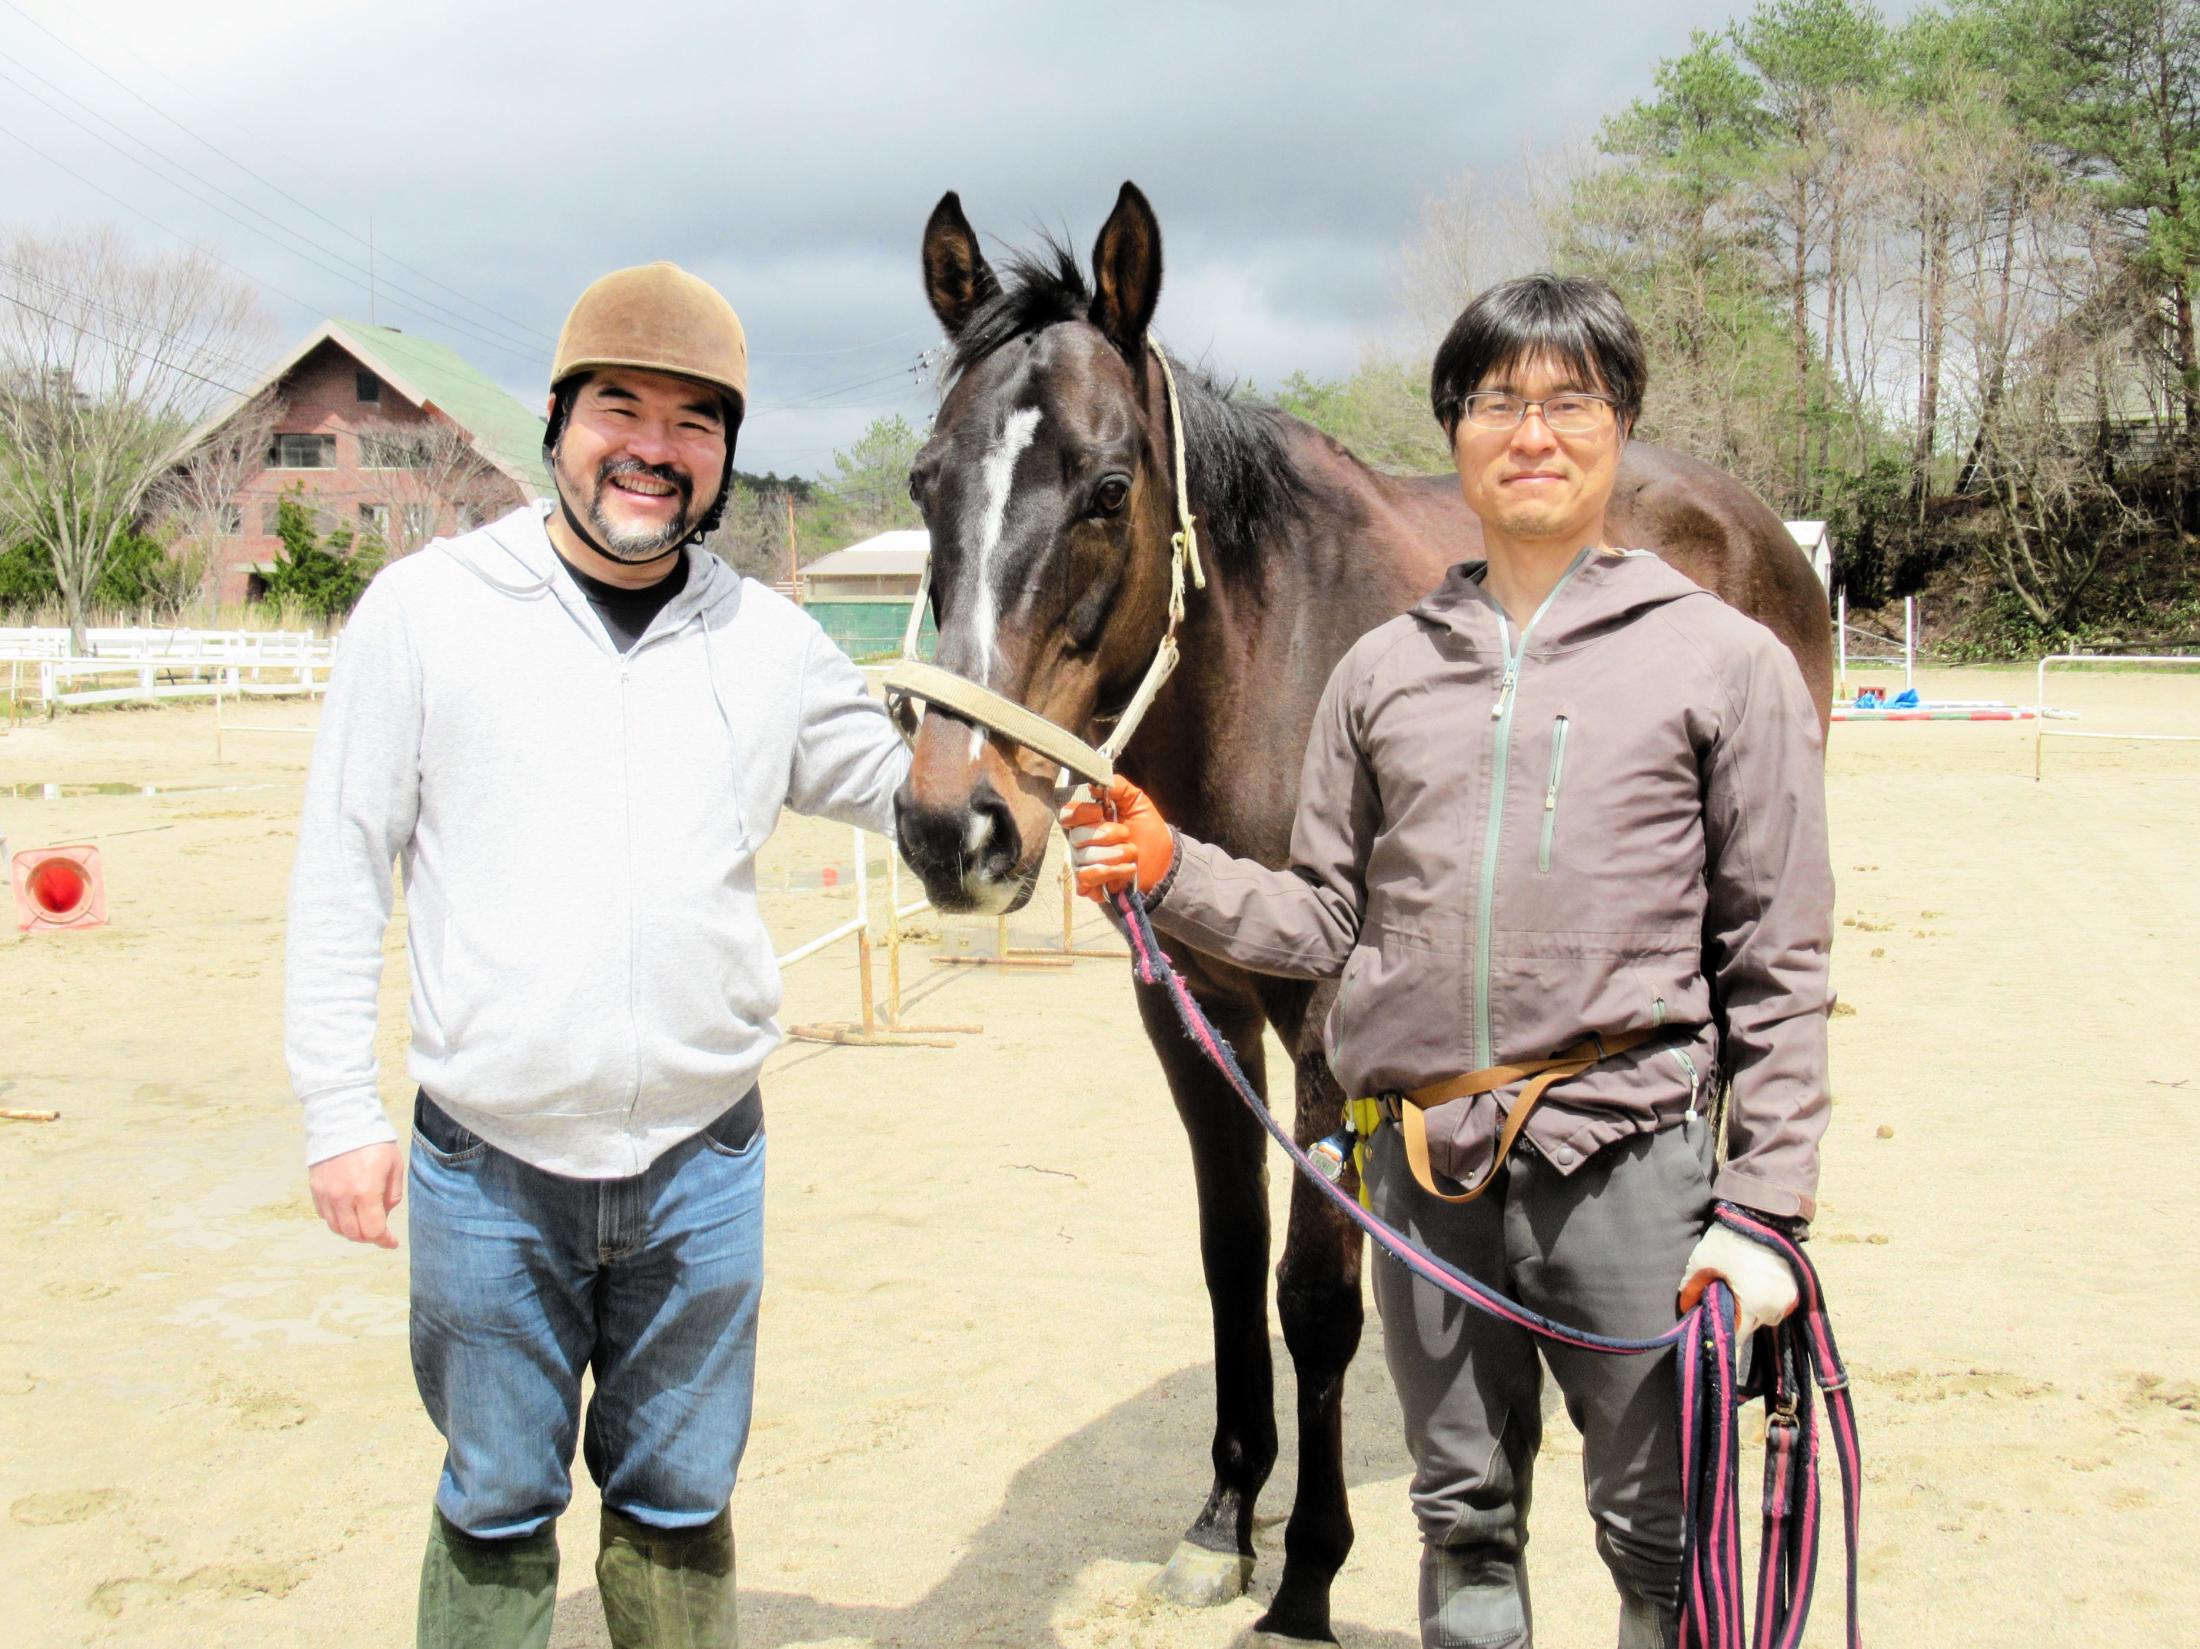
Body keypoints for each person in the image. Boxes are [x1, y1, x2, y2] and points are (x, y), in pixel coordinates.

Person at [1064, 274, 1831, 1649]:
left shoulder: (1728, 661)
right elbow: (1324, 924)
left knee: (1658, 1537)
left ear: (1620, 424)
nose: (1531, 431)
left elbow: (1777, 954)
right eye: (1496, 403)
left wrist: (1763, 1205)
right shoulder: (1380, 675)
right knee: (1461, 1521)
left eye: (1568, 401)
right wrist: (1170, 865)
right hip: (1429, 1164)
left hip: (1631, 1153)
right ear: (1455, 432)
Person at [285, 262, 910, 1648]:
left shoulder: (772, 638)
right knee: (497, 1494)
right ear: (558, 422)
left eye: (696, 422)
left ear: (728, 457)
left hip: (703, 1161)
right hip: (486, 1164)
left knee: (682, 1496)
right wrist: (339, 1107)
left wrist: (1039, 779)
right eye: (619, 406)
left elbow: (912, 790)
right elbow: (341, 867)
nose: (653, 446)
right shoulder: (427, 611)